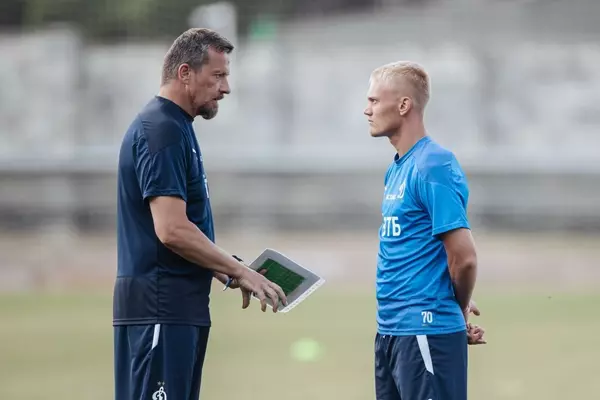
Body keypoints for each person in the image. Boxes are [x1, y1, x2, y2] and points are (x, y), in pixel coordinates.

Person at [113, 28, 287, 400]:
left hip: (178, 309)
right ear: (185, 73)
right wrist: (239, 271)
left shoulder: (177, 126)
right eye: (218, 75)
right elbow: (171, 230)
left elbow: (182, 229)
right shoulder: (161, 130)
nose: (226, 88)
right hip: (160, 309)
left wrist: (229, 270)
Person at [364, 61, 486, 400]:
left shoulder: (434, 164)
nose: (366, 110)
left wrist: (456, 310)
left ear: (404, 105)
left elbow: (464, 258)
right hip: (391, 331)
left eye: (374, 100)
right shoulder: (397, 169)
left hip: (424, 330)